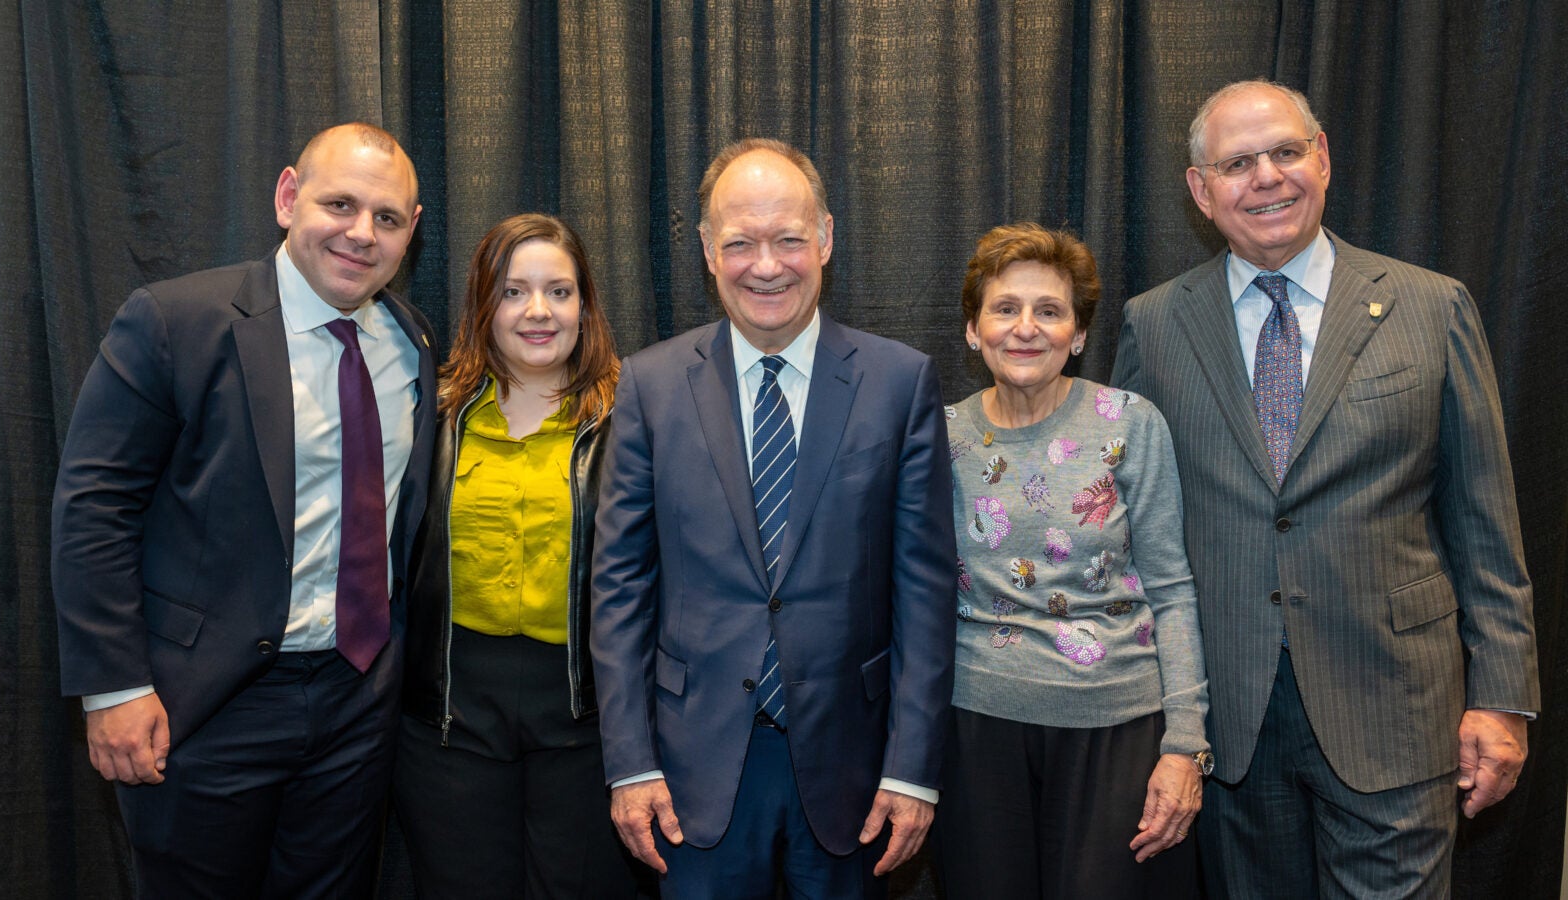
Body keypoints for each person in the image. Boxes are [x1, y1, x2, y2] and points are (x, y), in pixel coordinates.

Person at [1113, 80, 1539, 898]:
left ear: (1325, 159)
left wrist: (1503, 697)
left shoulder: (1430, 306)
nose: (1267, 177)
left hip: (1397, 705)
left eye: (1285, 151)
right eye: (1238, 163)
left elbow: (1486, 519)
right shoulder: (1154, 326)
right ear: (1202, 192)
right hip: (1230, 725)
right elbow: (1138, 533)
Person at [50, 122, 436, 897]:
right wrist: (115, 689)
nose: (362, 233)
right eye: (341, 204)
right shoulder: (175, 322)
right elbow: (94, 510)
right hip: (202, 705)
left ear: (411, 233)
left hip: (357, 706)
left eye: (387, 218)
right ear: (289, 197)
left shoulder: (413, 342)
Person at [590, 138, 956, 898]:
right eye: (740, 243)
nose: (766, 265)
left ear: (824, 237)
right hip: (691, 771)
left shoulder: (899, 383)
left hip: (852, 769)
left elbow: (924, 591)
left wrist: (913, 769)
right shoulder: (650, 386)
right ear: (705, 249)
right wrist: (629, 761)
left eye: (789, 239)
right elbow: (619, 586)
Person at [933, 222, 1210, 899]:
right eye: (1005, 308)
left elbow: (1172, 591)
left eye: (1050, 311)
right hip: (976, 732)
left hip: (1117, 730)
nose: (1026, 328)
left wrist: (1185, 744)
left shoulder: (1129, 422)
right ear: (973, 329)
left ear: (1079, 335)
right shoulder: (938, 433)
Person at [394, 213, 639, 898]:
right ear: (482, 304)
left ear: (585, 306)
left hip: (586, 717)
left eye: (559, 292)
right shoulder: (432, 413)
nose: (538, 311)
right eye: (513, 291)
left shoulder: (632, 417)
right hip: (450, 716)